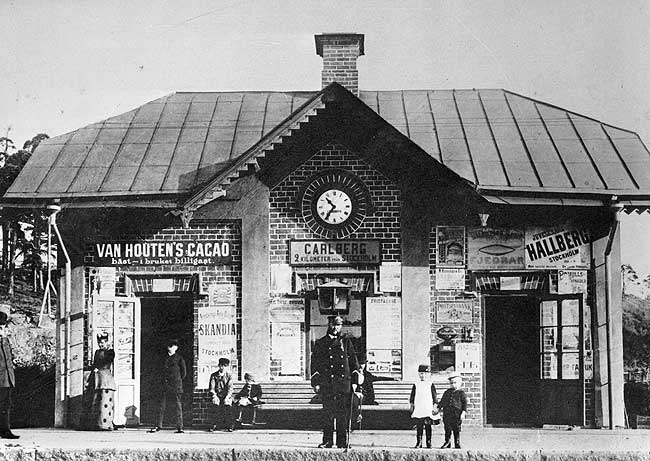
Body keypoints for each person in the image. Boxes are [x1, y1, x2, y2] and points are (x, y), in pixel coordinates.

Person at [310, 315, 362, 449]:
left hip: (344, 385)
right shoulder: (320, 343)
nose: (335, 328)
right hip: (327, 384)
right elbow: (315, 364)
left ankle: (342, 442)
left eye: (338, 325)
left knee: (342, 415)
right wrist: (316, 382)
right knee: (327, 414)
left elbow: (353, 364)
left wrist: (355, 382)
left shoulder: (346, 342)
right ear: (329, 325)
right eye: (333, 325)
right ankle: (327, 441)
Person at [149, 339, 186, 433]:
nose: (170, 348)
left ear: (176, 348)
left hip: (175, 385)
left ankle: (180, 427)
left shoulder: (179, 358)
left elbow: (183, 373)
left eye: (172, 346)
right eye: (169, 346)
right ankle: (158, 425)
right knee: (161, 406)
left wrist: (176, 380)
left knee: (178, 406)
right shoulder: (163, 358)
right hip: (164, 385)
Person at [86, 332, 116, 430]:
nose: (101, 344)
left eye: (103, 342)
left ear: (107, 342)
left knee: (106, 400)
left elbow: (107, 362)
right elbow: (95, 363)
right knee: (96, 400)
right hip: (97, 377)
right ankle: (96, 423)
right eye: (99, 343)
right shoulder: (97, 352)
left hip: (106, 377)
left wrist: (98, 367)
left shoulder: (110, 352)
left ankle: (106, 423)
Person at [409, 364, 438, 449]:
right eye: (421, 373)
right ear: (418, 374)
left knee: (428, 425)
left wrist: (435, 405)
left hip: (427, 408)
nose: (423, 375)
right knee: (419, 426)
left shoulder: (430, 384)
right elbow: (412, 396)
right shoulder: (416, 384)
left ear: (429, 374)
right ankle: (419, 442)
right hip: (419, 408)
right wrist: (412, 405)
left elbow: (434, 396)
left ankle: (428, 442)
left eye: (425, 374)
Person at [0, 309, 18, 439]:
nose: (2, 329)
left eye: (3, 326)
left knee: (5, 405)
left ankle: (5, 430)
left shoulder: (5, 341)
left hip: (6, 379)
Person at [438, 373, 467, 449]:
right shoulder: (447, 392)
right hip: (447, 413)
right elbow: (442, 401)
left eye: (455, 383)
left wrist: (463, 412)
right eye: (451, 383)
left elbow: (465, 404)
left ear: (460, 383)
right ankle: (447, 442)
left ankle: (457, 442)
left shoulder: (461, 393)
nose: (453, 385)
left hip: (456, 413)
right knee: (447, 428)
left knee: (456, 428)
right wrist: (438, 408)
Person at [208, 357, 234, 432]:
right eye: (221, 365)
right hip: (217, 395)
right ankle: (213, 424)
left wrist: (227, 397)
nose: (222, 367)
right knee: (215, 403)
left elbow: (230, 388)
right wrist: (214, 396)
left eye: (225, 366)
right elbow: (211, 388)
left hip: (226, 395)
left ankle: (230, 425)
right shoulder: (214, 375)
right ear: (219, 366)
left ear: (227, 367)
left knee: (227, 404)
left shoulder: (229, 376)